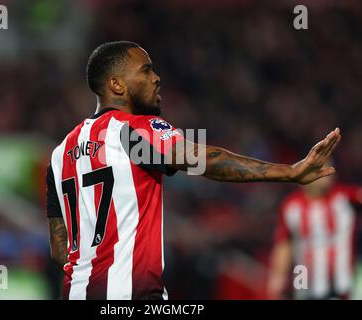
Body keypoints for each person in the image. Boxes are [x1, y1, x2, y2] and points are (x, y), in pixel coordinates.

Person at [46, 40, 341, 300]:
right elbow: (206, 159)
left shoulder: (60, 155)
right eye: (146, 70)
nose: (156, 78)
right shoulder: (132, 132)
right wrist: (290, 172)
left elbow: (61, 248)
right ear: (117, 85)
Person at [267, 161, 362, 300]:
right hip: (304, 283)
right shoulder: (291, 206)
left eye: (330, 167)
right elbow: (284, 244)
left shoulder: (346, 197)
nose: (329, 172)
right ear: (304, 171)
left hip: (343, 286)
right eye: (322, 168)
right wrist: (277, 279)